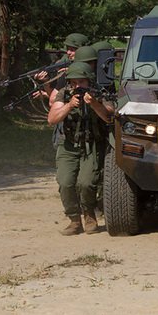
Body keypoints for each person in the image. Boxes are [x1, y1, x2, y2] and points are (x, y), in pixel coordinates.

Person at [47, 62, 114, 235]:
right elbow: (52, 119)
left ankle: (89, 214)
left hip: (91, 144)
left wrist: (93, 104)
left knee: (86, 182)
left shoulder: (99, 93)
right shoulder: (64, 94)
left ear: (89, 81)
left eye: (81, 82)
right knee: (65, 182)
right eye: (74, 82)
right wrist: (69, 105)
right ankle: (74, 219)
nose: (77, 86)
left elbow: (109, 117)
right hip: (68, 145)